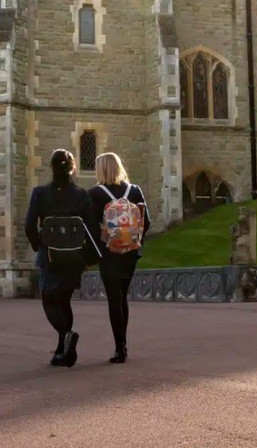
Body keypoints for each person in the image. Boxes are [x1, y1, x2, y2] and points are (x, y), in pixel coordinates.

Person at [24, 149, 98, 368]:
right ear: (72, 167)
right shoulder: (81, 194)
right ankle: (62, 350)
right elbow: (91, 227)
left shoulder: (40, 193)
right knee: (64, 301)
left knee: (49, 300)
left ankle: (66, 334)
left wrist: (38, 245)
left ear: (52, 167)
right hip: (74, 256)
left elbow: (29, 225)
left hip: (50, 255)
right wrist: (86, 256)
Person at [89, 152, 150, 364]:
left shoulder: (95, 194)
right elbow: (146, 221)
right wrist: (134, 241)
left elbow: (90, 227)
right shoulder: (134, 190)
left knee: (114, 299)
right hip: (131, 252)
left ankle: (119, 348)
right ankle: (122, 346)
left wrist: (100, 248)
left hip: (108, 253)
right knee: (123, 297)